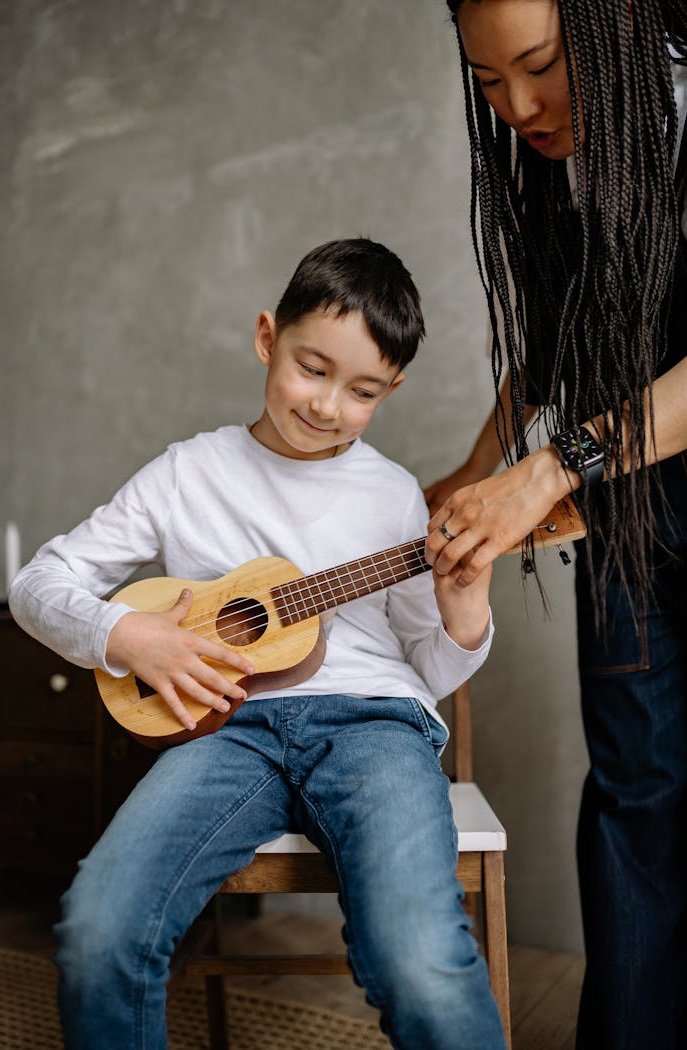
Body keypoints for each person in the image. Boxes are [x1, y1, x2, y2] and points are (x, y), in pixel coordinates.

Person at [8, 237, 506, 1050]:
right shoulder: (185, 474)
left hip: (375, 727)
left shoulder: (392, 496)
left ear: (393, 390)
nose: (326, 405)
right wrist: (129, 636)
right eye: (313, 368)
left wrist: (465, 607)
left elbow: (434, 668)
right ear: (267, 337)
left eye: (363, 392)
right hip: (230, 731)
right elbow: (39, 584)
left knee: (419, 958)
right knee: (99, 932)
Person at [425, 3, 687, 1050]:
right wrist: (472, 469)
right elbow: (560, 333)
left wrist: (553, 467)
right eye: (489, 81)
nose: (520, 107)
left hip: (604, 467)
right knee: (638, 800)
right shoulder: (556, 152)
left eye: (538, 67)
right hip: (631, 523)